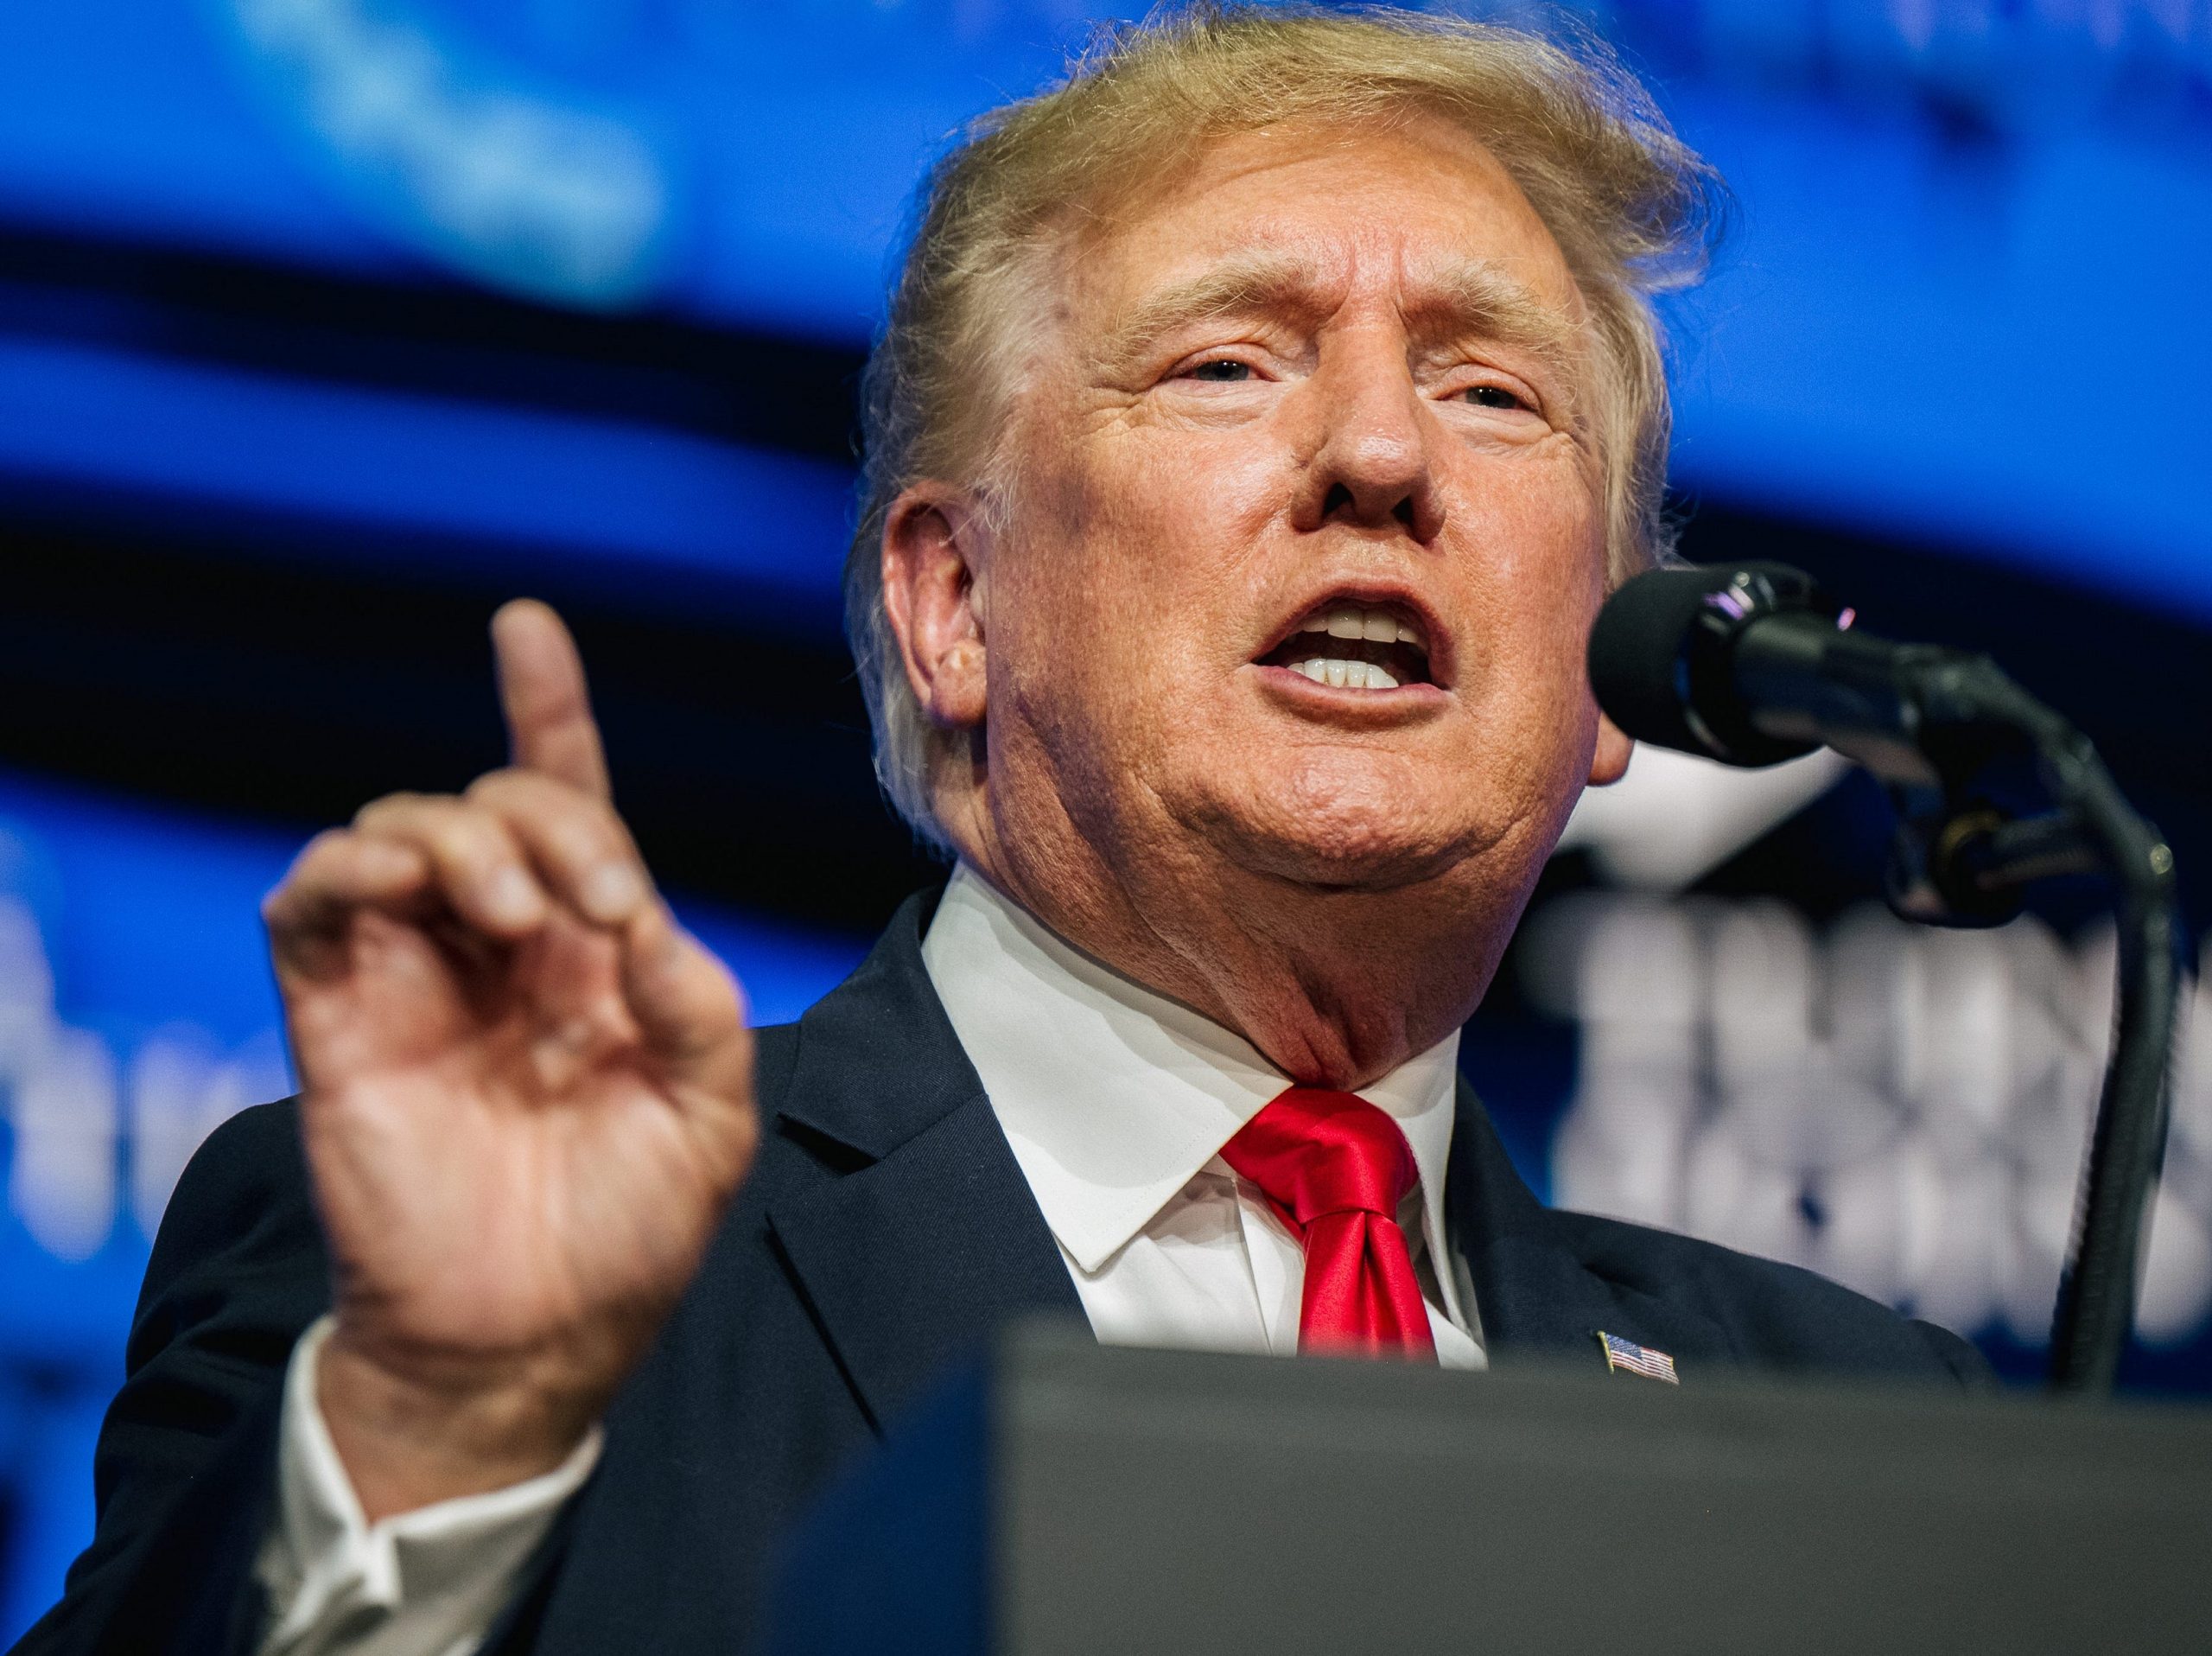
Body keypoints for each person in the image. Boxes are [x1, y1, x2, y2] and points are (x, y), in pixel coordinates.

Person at [16, 10, 1986, 1655]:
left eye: (1490, 393)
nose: (1381, 456)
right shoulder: (498, 1293)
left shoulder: (1861, 1436)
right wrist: (435, 1435)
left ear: (1606, 665)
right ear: (954, 605)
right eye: (1228, 362)